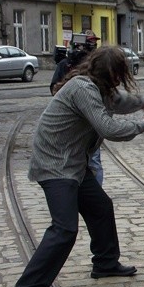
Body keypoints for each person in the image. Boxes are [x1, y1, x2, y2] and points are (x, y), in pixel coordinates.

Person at [11, 46, 144, 287]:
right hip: (56, 164)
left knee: (100, 207)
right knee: (64, 229)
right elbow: (109, 128)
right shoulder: (83, 88)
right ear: (108, 72)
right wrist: (143, 124)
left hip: (75, 164)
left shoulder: (101, 89)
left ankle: (105, 263)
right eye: (118, 74)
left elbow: (121, 101)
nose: (118, 80)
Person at [51, 30, 104, 185]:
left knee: (94, 160)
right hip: (68, 122)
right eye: (89, 43)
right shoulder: (65, 64)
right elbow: (54, 88)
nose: (92, 47)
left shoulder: (97, 66)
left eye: (94, 43)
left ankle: (95, 193)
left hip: (90, 120)